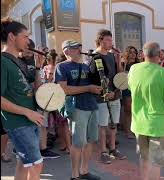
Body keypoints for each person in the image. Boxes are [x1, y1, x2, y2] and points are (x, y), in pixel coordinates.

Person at [1, 18, 45, 180]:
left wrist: (38, 68)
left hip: (29, 119)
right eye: (25, 37)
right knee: (36, 164)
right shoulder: (3, 61)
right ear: (12, 37)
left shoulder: (18, 61)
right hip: (18, 122)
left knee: (24, 163)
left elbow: (33, 89)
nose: (28, 41)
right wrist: (27, 112)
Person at [128, 42, 164, 180]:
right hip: (158, 125)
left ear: (143, 54)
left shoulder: (133, 69)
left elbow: (132, 89)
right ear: (159, 55)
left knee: (144, 158)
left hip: (139, 123)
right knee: (156, 162)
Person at [55, 40, 102, 180]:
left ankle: (84, 171)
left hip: (92, 105)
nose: (79, 50)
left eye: (80, 47)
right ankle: (75, 176)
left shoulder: (86, 66)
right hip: (77, 107)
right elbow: (63, 89)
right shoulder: (61, 67)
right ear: (66, 51)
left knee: (90, 141)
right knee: (77, 143)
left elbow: (95, 84)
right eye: (75, 48)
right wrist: (88, 88)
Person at [89, 29, 126, 165]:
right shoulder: (94, 56)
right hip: (101, 97)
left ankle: (113, 149)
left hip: (115, 95)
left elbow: (120, 76)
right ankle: (103, 151)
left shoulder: (112, 56)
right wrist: (104, 91)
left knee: (113, 123)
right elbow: (93, 78)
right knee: (103, 125)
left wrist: (118, 60)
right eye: (108, 40)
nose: (111, 43)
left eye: (111, 40)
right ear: (100, 41)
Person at [121, 46, 139, 139]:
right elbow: (120, 75)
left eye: (134, 52)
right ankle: (128, 131)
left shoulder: (139, 64)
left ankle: (135, 130)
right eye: (131, 52)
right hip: (127, 88)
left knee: (136, 110)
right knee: (128, 110)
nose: (133, 54)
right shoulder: (123, 63)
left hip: (137, 88)